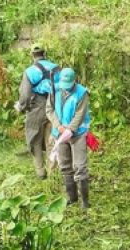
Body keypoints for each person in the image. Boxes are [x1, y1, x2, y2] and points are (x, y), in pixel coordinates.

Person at [46, 68, 93, 210]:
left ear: (74, 81)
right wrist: (58, 126)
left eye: (69, 85)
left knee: (80, 166)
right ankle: (72, 198)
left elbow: (80, 114)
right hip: (59, 133)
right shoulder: (55, 90)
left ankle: (85, 202)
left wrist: (70, 129)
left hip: (77, 133)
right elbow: (49, 110)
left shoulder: (82, 93)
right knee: (65, 166)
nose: (65, 88)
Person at [14, 43, 59, 179]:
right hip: (55, 105)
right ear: (44, 54)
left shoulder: (30, 71)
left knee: (34, 139)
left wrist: (21, 107)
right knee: (51, 139)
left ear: (32, 55)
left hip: (37, 107)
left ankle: (40, 172)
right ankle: (53, 171)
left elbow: (25, 95)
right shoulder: (57, 68)